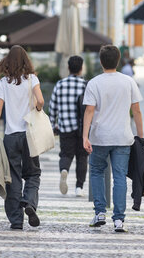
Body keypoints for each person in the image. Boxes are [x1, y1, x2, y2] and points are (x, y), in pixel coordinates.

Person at [82, 45, 143, 233]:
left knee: (97, 172)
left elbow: (89, 110)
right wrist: (140, 137)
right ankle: (119, 220)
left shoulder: (94, 83)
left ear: (101, 61)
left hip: (100, 137)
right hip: (122, 137)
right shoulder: (128, 82)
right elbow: (137, 111)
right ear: (118, 61)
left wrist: (85, 136)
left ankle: (100, 212)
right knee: (119, 177)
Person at [0, 45, 45, 230]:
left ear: (7, 62)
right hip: (29, 134)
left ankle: (16, 220)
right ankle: (28, 202)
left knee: (12, 177)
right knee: (33, 173)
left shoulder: (3, 83)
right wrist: (37, 108)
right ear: (26, 61)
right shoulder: (32, 79)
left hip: (11, 136)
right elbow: (41, 101)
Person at [49, 55, 87, 197]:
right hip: (82, 128)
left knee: (65, 154)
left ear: (68, 68)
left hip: (65, 127)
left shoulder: (60, 84)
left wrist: (52, 125)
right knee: (82, 157)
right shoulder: (85, 85)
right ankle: (79, 187)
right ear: (81, 68)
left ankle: (64, 169)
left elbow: (52, 107)